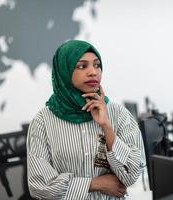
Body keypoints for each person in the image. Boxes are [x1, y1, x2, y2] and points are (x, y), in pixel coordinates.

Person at [26, 40, 145, 199]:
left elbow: (132, 175)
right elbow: (39, 186)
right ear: (64, 71)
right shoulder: (43, 121)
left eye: (97, 65)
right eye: (82, 66)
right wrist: (95, 183)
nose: (93, 72)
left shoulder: (118, 113)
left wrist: (107, 127)